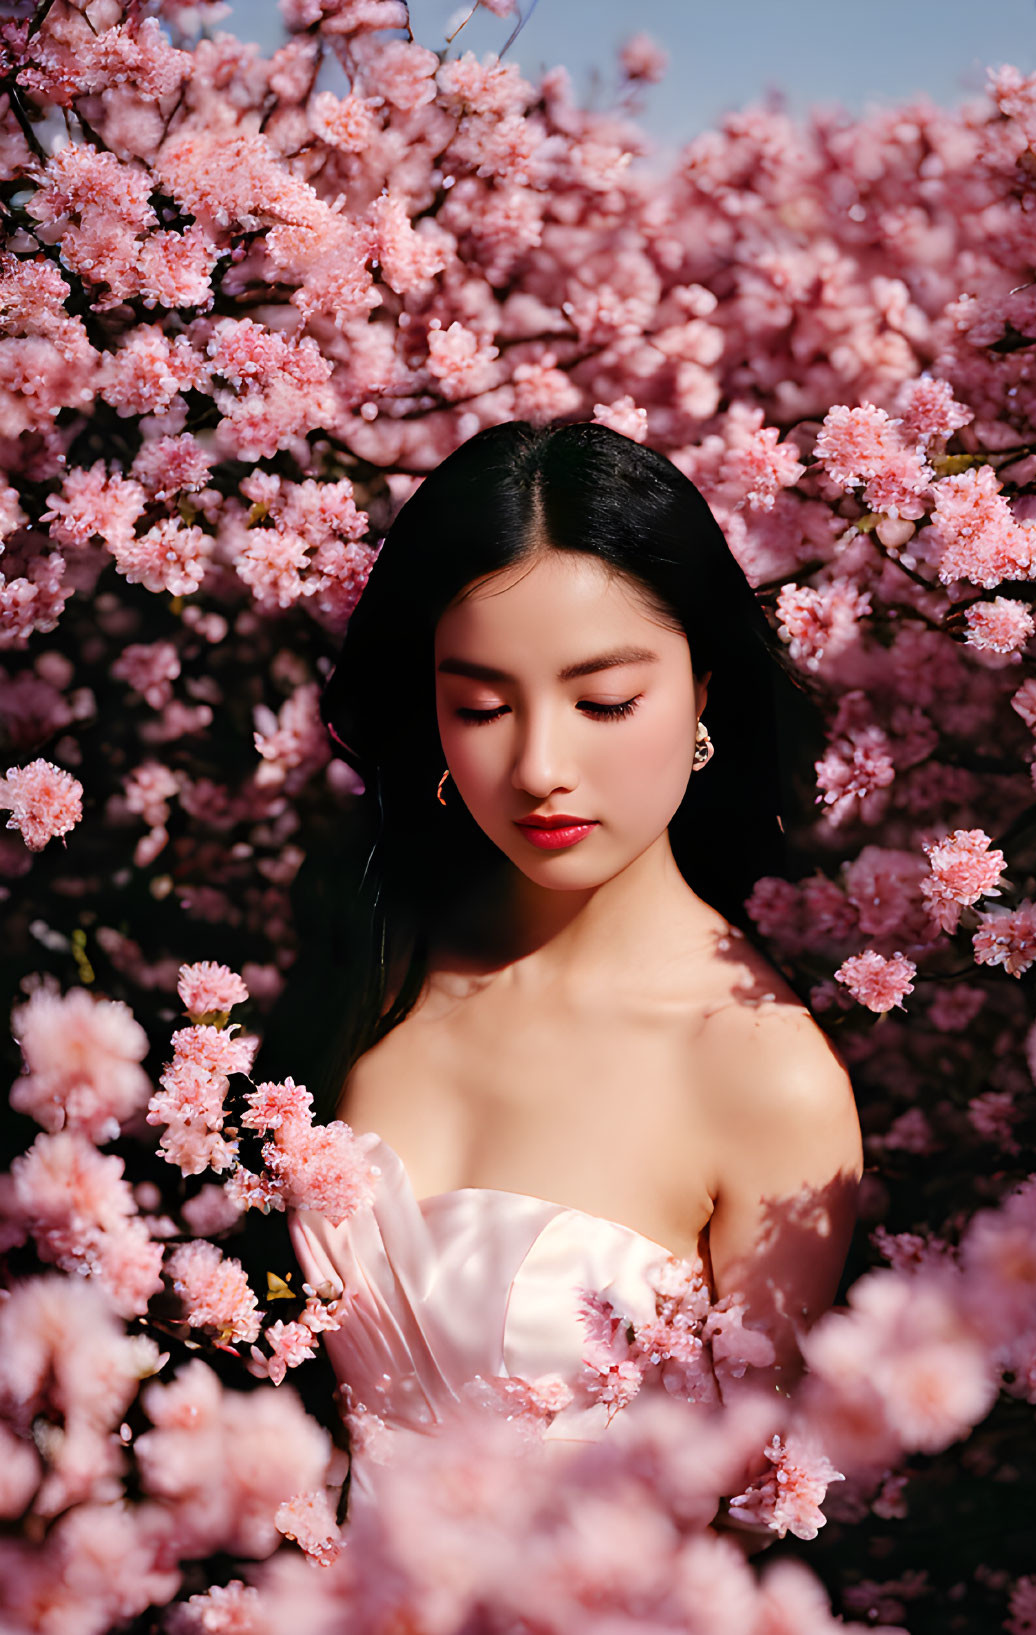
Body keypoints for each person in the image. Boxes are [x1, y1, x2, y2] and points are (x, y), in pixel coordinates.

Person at [271, 421, 864, 1521]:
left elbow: (745, 1526)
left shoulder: (764, 1080)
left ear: (704, 700)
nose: (540, 767)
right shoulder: (376, 947)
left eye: (603, 703)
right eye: (481, 707)